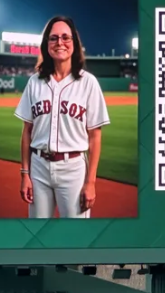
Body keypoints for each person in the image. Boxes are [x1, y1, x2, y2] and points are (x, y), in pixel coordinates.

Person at [14, 16, 110, 219]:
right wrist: (25, 174)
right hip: (38, 167)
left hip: (73, 168)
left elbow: (95, 137)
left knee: (75, 236)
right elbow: (27, 133)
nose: (60, 43)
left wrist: (91, 182)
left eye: (66, 37)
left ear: (74, 43)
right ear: (46, 44)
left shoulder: (88, 83)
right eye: (53, 38)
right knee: (37, 235)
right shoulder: (35, 82)